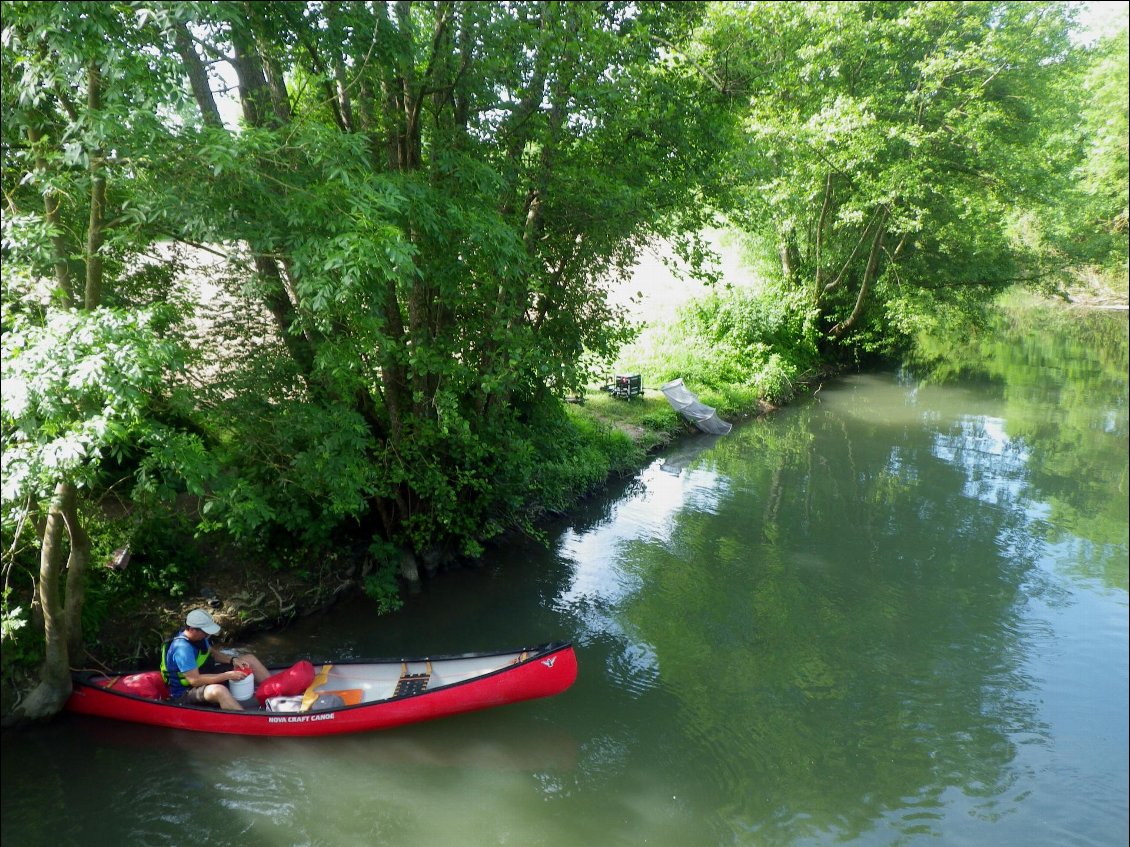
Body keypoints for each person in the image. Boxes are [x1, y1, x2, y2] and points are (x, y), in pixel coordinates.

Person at [160, 608, 270, 710]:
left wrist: (233, 660)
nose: (208, 634)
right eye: (205, 631)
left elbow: (213, 654)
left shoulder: (200, 637)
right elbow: (195, 680)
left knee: (249, 659)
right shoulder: (182, 649)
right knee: (219, 691)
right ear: (192, 629)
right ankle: (249, 722)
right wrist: (227, 675)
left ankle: (277, 694)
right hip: (185, 692)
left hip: (206, 675)